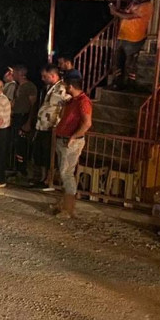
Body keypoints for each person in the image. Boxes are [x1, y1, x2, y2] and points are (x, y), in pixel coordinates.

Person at [51, 78, 92, 218]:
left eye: (66, 86)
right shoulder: (74, 100)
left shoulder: (83, 102)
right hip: (65, 139)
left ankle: (68, 209)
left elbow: (87, 123)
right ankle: (65, 204)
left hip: (70, 142)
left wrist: (74, 137)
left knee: (67, 173)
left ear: (71, 86)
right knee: (64, 172)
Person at [31, 65, 70, 188]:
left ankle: (49, 179)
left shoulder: (62, 88)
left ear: (52, 75)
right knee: (41, 153)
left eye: (45, 76)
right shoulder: (48, 88)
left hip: (51, 126)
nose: (42, 79)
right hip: (42, 125)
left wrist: (58, 123)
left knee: (49, 154)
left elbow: (65, 106)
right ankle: (43, 178)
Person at [109, 0, 154, 90]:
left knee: (130, 63)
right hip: (123, 36)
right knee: (118, 61)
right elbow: (122, 14)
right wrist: (113, 8)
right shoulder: (133, 3)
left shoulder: (147, 6)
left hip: (135, 37)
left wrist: (116, 11)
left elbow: (129, 16)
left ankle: (130, 84)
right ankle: (118, 82)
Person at [10, 65, 38, 181]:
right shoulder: (18, 86)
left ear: (21, 73)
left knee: (22, 143)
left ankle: (22, 169)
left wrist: (28, 121)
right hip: (16, 116)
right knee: (15, 142)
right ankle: (16, 168)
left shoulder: (30, 87)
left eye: (15, 72)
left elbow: (33, 104)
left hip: (24, 116)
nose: (13, 75)